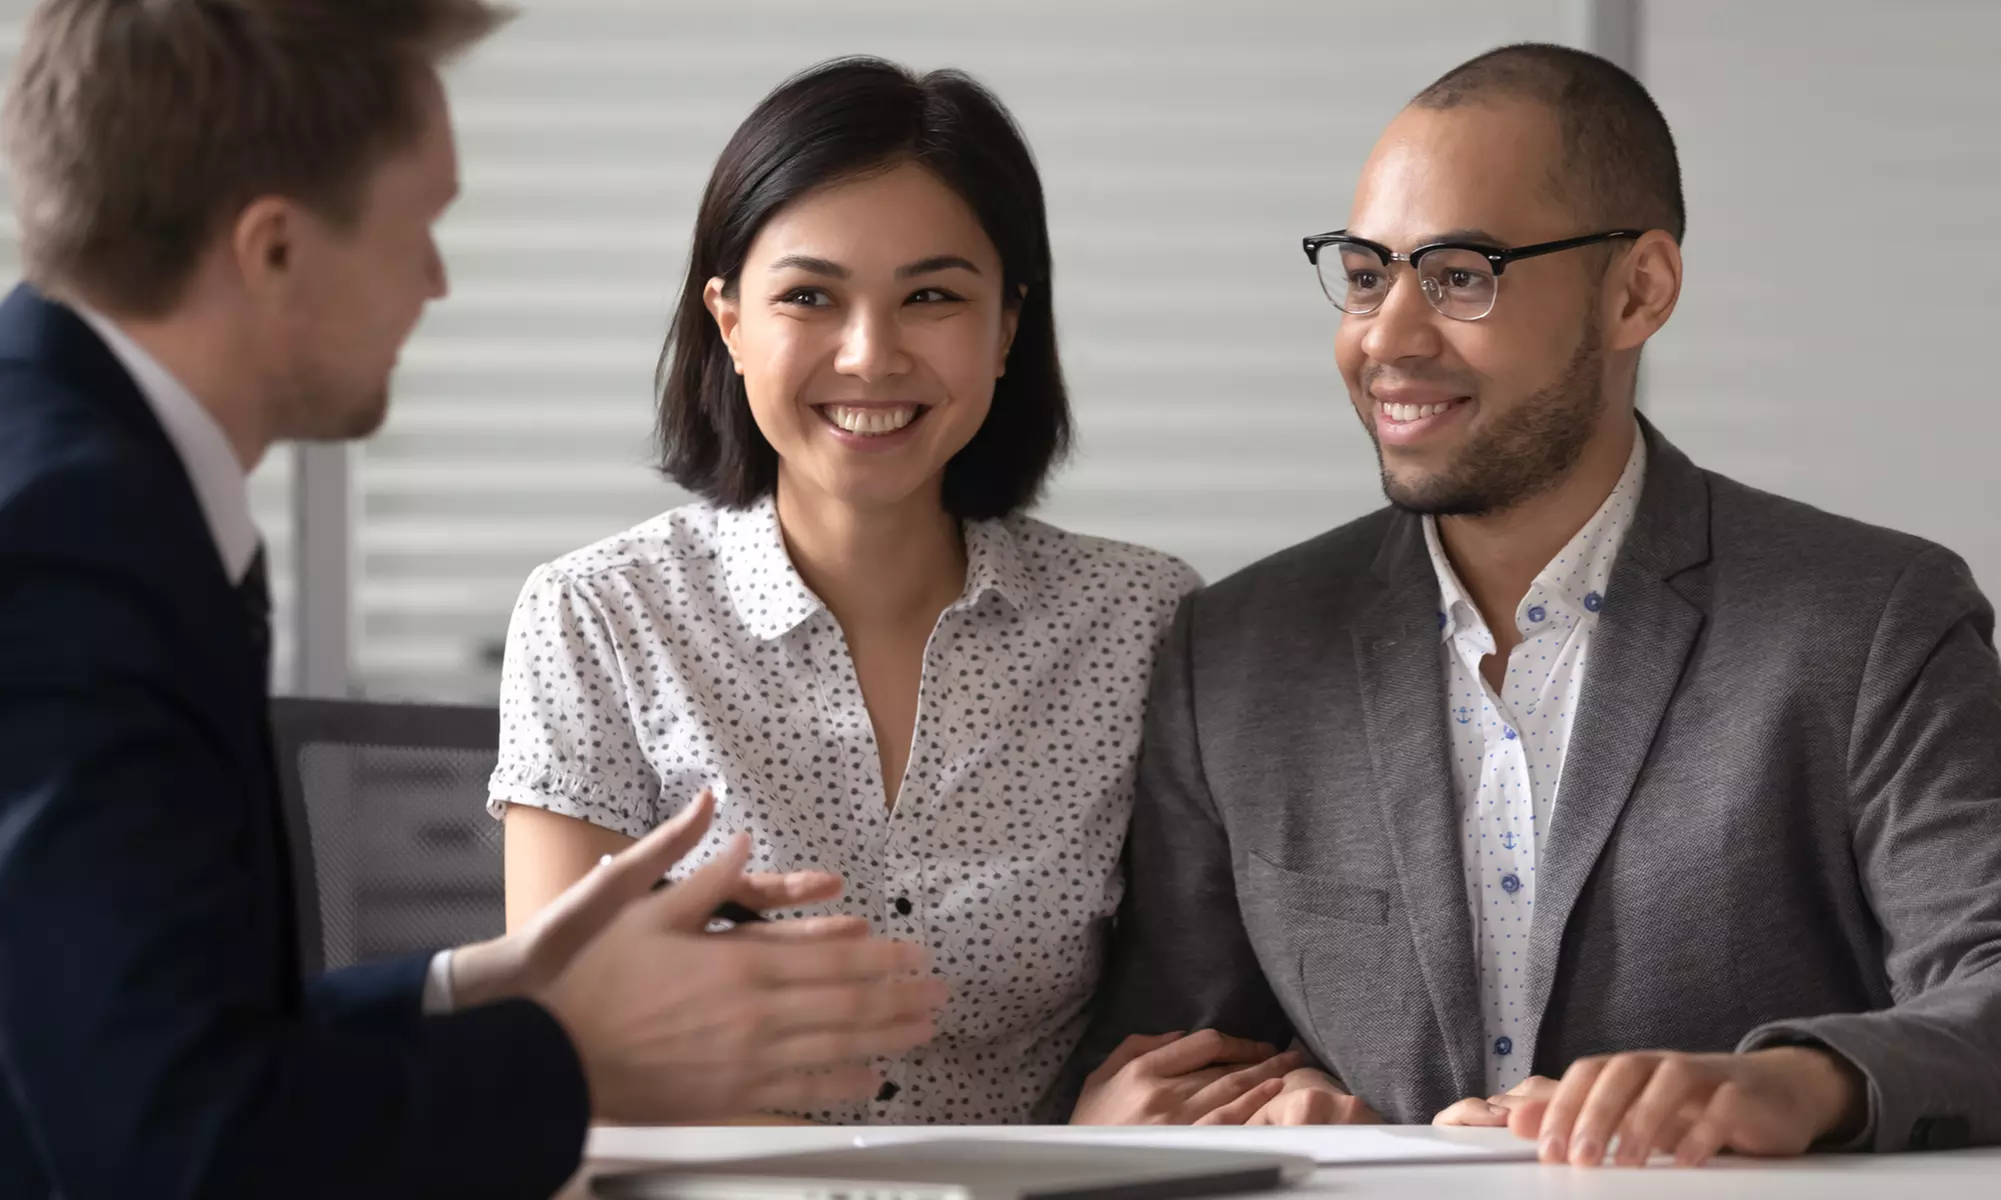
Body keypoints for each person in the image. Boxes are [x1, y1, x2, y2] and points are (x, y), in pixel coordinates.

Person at [0, 4, 946, 1196]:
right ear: (276, 248)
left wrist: (494, 980)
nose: (438, 281)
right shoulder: (65, 542)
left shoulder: (79, 482)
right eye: (421, 225)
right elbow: (175, 1145)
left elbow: (129, 1037)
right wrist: (579, 1058)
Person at [1070, 42, 2001, 1163]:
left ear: (1637, 291)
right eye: (1368, 275)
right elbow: (1180, 1053)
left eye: (1463, 275)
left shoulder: (1875, 620)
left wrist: (1799, 1084)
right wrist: (1262, 1110)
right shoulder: (1237, 655)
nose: (1388, 339)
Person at [491, 56, 1264, 1127]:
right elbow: (564, 1054)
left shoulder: (1140, 622)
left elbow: (1190, 1011)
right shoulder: (600, 618)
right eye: (809, 296)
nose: (870, 354)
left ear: (1005, 327)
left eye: (933, 297)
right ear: (727, 321)